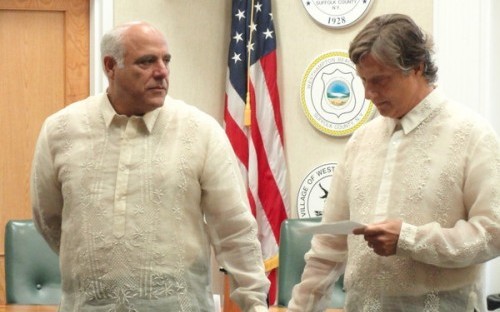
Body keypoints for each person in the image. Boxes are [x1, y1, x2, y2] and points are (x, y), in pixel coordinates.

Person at [30, 21, 270, 312]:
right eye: (146, 61)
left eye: (165, 60)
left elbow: (234, 229)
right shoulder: (61, 131)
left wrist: (255, 303)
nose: (162, 72)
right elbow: (50, 220)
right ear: (110, 66)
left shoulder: (200, 131)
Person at [288, 13, 500, 312]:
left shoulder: (472, 135)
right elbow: (328, 248)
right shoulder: (360, 142)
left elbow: (493, 233)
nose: (367, 95)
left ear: (417, 67)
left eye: (379, 81)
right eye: (363, 81)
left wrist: (409, 239)